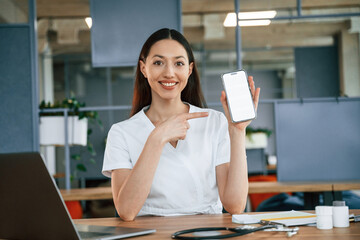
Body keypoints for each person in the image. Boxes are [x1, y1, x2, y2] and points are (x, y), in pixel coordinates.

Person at [102, 28, 260, 221]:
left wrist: (237, 131)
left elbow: (235, 205)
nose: (169, 73)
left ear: (189, 70)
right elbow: (126, 211)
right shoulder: (121, 133)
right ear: (143, 68)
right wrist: (157, 138)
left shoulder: (215, 121)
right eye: (158, 62)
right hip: (150, 235)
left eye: (178, 63)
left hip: (206, 233)